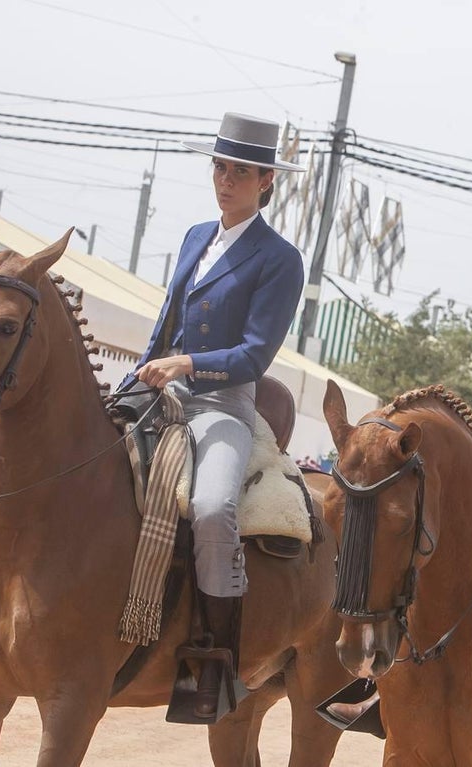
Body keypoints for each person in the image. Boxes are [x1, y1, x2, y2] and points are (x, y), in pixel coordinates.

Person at [121, 112, 305, 720]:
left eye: (241, 172)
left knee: (211, 506)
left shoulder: (280, 258)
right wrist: (134, 378)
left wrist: (186, 363)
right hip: (157, 388)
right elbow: (164, 324)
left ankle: (213, 659)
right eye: (220, 168)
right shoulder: (197, 235)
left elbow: (254, 354)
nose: (226, 180)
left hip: (223, 402)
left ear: (266, 181)